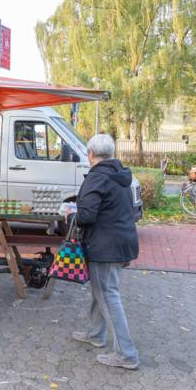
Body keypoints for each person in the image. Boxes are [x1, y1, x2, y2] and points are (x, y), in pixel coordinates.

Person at [69, 134, 139, 369]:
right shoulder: (120, 175)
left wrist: (71, 215)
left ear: (90, 154)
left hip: (104, 245)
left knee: (108, 295)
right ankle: (95, 334)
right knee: (102, 290)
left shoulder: (97, 177)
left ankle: (126, 354)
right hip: (122, 241)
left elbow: (87, 215)